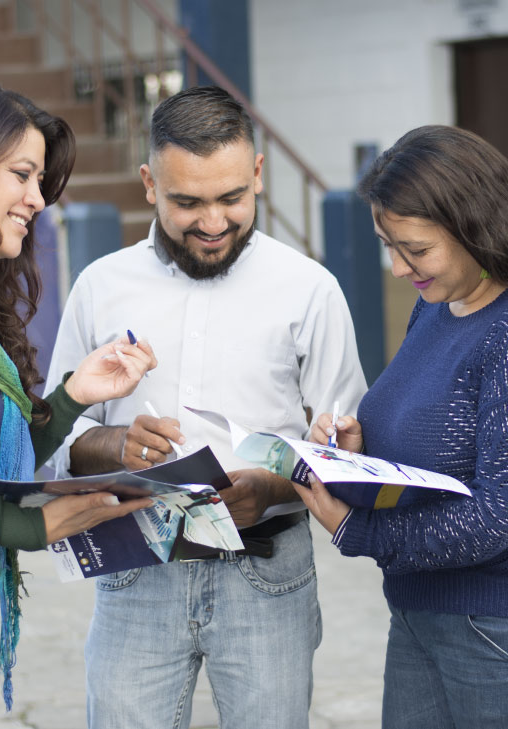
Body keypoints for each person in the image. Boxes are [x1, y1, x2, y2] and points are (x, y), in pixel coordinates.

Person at [45, 85, 366, 729]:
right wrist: (115, 445)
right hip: (136, 569)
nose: (213, 223)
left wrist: (275, 483)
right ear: (148, 184)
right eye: (187, 202)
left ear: (257, 175)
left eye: (231, 199)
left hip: (268, 573)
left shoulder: (310, 290)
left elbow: (344, 444)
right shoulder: (99, 286)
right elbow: (57, 434)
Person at [0, 80, 157, 729]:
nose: (38, 199)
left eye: (41, 180)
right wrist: (36, 528)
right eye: (22, 174)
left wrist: (75, 397)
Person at [298, 125, 508, 729]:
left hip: (489, 631)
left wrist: (356, 530)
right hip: (419, 615)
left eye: (414, 249)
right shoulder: (437, 304)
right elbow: (434, 434)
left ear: (475, 225)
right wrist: (358, 453)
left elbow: (496, 517)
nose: (396, 268)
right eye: (388, 245)